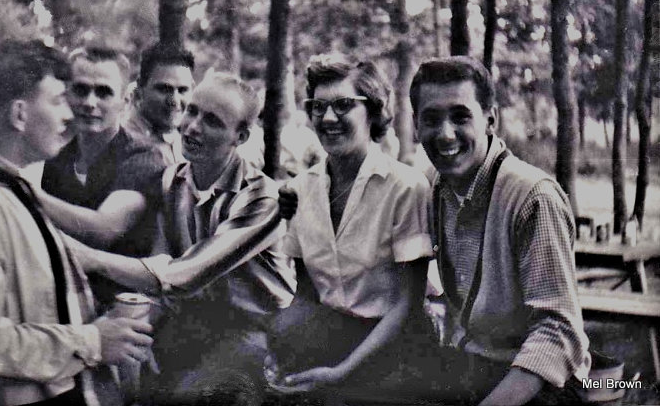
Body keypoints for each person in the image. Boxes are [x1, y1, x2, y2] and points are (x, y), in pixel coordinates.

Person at [64, 74, 296, 406]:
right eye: (191, 111)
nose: (192, 127)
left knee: (180, 397)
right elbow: (161, 267)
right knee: (108, 372)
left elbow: (182, 275)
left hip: (259, 331)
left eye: (212, 122)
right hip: (192, 320)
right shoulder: (174, 180)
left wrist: (88, 257)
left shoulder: (261, 198)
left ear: (240, 136)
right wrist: (133, 327)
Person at [0, 40, 153, 406]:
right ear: (19, 114)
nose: (71, 115)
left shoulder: (8, 190)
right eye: (59, 100)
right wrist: (92, 342)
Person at [409, 56, 591, 405]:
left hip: (540, 385)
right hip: (473, 366)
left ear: (490, 119)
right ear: (416, 126)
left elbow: (557, 332)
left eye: (460, 116)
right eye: (431, 119)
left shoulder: (532, 196)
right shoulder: (435, 187)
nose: (445, 134)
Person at [264, 54, 433, 398]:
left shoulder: (406, 187)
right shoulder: (300, 190)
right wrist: (277, 347)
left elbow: (408, 305)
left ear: (372, 111)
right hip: (326, 338)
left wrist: (341, 373)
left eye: (343, 105)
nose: (328, 118)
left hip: (395, 349)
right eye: (317, 106)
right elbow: (306, 294)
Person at [39, 46, 167, 308]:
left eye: (104, 92)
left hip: (129, 308)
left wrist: (24, 191)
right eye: (81, 89)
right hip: (69, 302)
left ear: (125, 100)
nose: (90, 102)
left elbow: (103, 229)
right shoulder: (59, 158)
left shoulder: (142, 157)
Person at [124, 41, 196, 165]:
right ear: (140, 90)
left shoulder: (182, 141)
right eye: (164, 89)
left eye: (182, 90)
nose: (174, 100)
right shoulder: (124, 143)